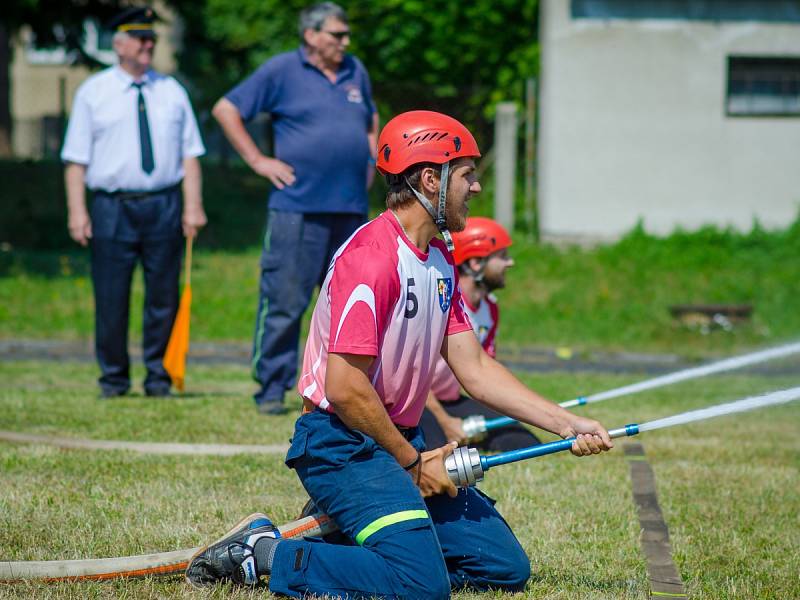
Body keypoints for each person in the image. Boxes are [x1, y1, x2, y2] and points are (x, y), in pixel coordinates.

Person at [186, 111, 613, 598]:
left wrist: (564, 423)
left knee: (503, 567)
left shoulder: (440, 256)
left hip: (399, 441)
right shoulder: (372, 258)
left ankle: (361, 534)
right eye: (468, 174)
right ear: (431, 179)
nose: (475, 187)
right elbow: (344, 389)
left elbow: (473, 368)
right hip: (341, 446)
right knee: (422, 588)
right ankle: (263, 551)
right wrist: (413, 464)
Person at [212, 2, 378, 415]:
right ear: (311, 35)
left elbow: (370, 119)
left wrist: (373, 160)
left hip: (351, 212)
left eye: (346, 35)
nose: (345, 42)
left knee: (350, 306)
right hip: (297, 209)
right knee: (285, 300)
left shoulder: (355, 70)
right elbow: (226, 109)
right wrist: (258, 161)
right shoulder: (281, 70)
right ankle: (271, 387)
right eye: (337, 35)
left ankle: (342, 389)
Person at [61, 6, 207, 398]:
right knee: (111, 296)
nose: (148, 45)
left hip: (163, 205)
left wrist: (193, 206)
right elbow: (75, 161)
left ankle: (158, 377)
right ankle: (114, 378)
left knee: (163, 296)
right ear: (119, 43)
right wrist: (78, 212)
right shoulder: (94, 92)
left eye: (152, 39)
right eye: (141, 38)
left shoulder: (171, 91)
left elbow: (189, 155)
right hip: (111, 207)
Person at [420, 216, 542, 451]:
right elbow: (410, 376)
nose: (510, 263)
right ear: (476, 262)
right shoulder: (440, 300)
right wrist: (445, 423)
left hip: (451, 401)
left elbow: (484, 373)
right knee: (438, 450)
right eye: (502, 257)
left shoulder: (490, 308)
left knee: (524, 444)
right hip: (419, 402)